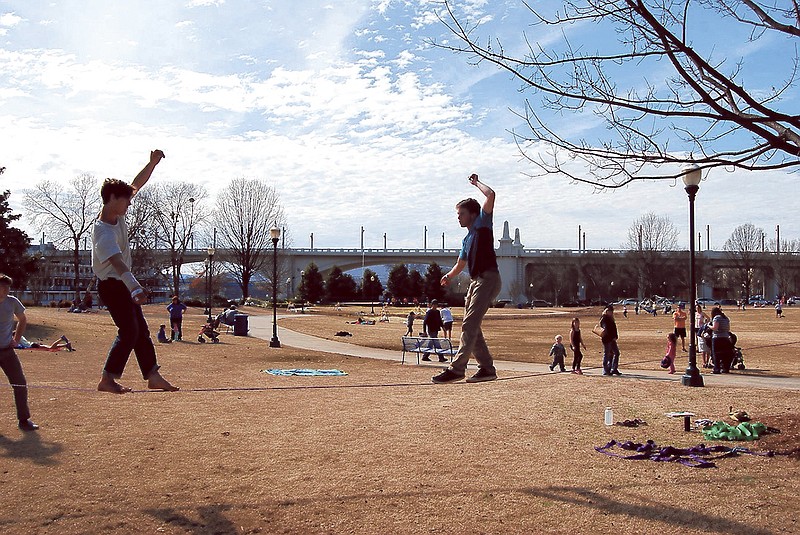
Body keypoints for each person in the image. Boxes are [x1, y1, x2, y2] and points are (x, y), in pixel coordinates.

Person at [92, 150, 178, 394]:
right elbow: (118, 264)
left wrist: (152, 163)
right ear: (112, 198)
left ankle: (152, 375)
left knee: (140, 331)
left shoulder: (117, 216)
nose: (130, 203)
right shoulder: (103, 232)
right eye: (126, 200)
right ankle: (107, 379)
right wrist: (135, 286)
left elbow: (137, 184)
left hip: (121, 285)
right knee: (129, 331)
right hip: (112, 285)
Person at [433, 173, 501, 384]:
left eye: (461, 213)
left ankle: (457, 369)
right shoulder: (466, 238)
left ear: (472, 214)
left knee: (469, 324)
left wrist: (475, 183)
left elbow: (491, 195)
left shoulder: (482, 223)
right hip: (475, 281)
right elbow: (461, 263)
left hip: (488, 279)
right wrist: (449, 276)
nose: (458, 217)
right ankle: (487, 369)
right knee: (472, 326)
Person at [0, 274, 38, 431]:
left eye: (8, 287)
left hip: (7, 351)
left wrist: (16, 338)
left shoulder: (12, 302)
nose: (6, 290)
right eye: (3, 287)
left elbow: (22, 319)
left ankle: (24, 420)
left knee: (20, 384)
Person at [710, 306, 733, 374]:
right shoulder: (726, 318)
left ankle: (716, 369)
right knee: (725, 354)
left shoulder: (717, 318)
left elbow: (715, 328)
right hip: (725, 337)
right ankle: (725, 368)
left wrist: (709, 326)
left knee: (716, 354)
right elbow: (728, 328)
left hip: (717, 338)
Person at [599, 305, 621, 376]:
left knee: (616, 353)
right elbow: (606, 329)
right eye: (609, 311)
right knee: (607, 354)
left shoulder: (611, 319)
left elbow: (614, 328)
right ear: (606, 311)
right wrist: (611, 336)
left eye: (611, 311)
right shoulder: (604, 318)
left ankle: (613, 368)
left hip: (612, 339)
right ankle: (606, 370)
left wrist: (615, 336)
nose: (610, 312)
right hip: (607, 339)